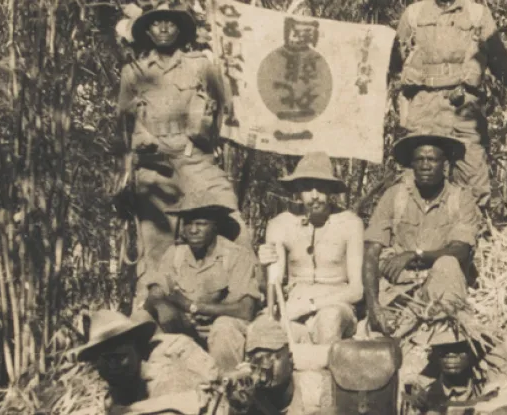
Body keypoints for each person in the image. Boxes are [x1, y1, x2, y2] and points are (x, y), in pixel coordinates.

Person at [117, 0, 253, 304]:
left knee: (233, 221)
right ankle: (152, 310)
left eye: (171, 22)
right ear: (147, 30)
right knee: (157, 244)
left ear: (180, 28)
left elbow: (226, 110)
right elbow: (124, 125)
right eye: (156, 22)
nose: (164, 28)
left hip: (196, 158)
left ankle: (242, 299)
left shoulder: (202, 65)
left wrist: (202, 136)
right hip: (154, 166)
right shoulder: (133, 72)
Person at [392, 0, 507, 207]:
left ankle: (470, 234)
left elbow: (499, 60)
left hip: (464, 107)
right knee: (420, 175)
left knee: (473, 177)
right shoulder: (414, 14)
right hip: (424, 106)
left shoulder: (477, 15)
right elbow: (393, 58)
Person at [363, 131, 481, 334]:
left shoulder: (460, 199)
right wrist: (374, 307)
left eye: (432, 159)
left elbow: (460, 250)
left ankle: (442, 331)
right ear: (412, 164)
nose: (425, 165)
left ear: (444, 164)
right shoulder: (395, 196)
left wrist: (416, 256)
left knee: (448, 263)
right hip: (398, 291)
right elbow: (371, 252)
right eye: (419, 159)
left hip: (441, 287)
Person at [142, 190, 262, 370]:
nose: (193, 230)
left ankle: (226, 387)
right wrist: (161, 305)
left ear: (215, 226)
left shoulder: (236, 257)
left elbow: (246, 310)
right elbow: (156, 289)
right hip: (184, 329)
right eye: (188, 223)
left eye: (201, 224)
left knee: (224, 328)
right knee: (141, 319)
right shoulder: (175, 254)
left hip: (221, 331)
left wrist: (193, 306)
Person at [258, 152, 364, 345]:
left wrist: (310, 305)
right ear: (298, 190)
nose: (315, 196)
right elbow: (274, 283)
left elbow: (357, 290)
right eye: (307, 188)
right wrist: (264, 266)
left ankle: (329, 372)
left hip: (335, 304)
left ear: (331, 190)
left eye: (321, 188)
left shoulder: (350, 224)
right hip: (293, 304)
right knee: (263, 334)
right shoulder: (280, 224)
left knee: (329, 320)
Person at [72, 309, 223, 414]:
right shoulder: (119, 387)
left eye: (119, 357)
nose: (113, 366)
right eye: (105, 360)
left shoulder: (166, 371)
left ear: (138, 350)